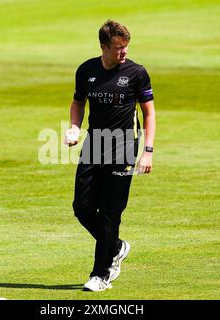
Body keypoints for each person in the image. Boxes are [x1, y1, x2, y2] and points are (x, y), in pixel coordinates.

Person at [65, 20, 156, 291]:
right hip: (94, 143)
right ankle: (116, 246)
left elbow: (149, 113)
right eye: (118, 48)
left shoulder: (137, 72)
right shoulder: (87, 70)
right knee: (81, 207)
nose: (124, 52)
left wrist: (148, 152)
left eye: (126, 47)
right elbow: (78, 103)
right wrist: (73, 127)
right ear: (104, 47)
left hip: (125, 146)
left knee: (109, 212)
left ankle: (101, 274)